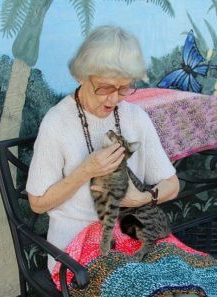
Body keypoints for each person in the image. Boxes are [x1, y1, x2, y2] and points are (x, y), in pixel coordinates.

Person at [25, 25, 179, 274]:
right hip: (77, 247)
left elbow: (172, 184)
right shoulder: (57, 122)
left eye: (124, 88)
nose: (113, 99)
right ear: (81, 76)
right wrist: (84, 171)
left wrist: (142, 198)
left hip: (133, 234)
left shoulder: (135, 116)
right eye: (105, 88)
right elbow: (38, 203)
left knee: (188, 277)